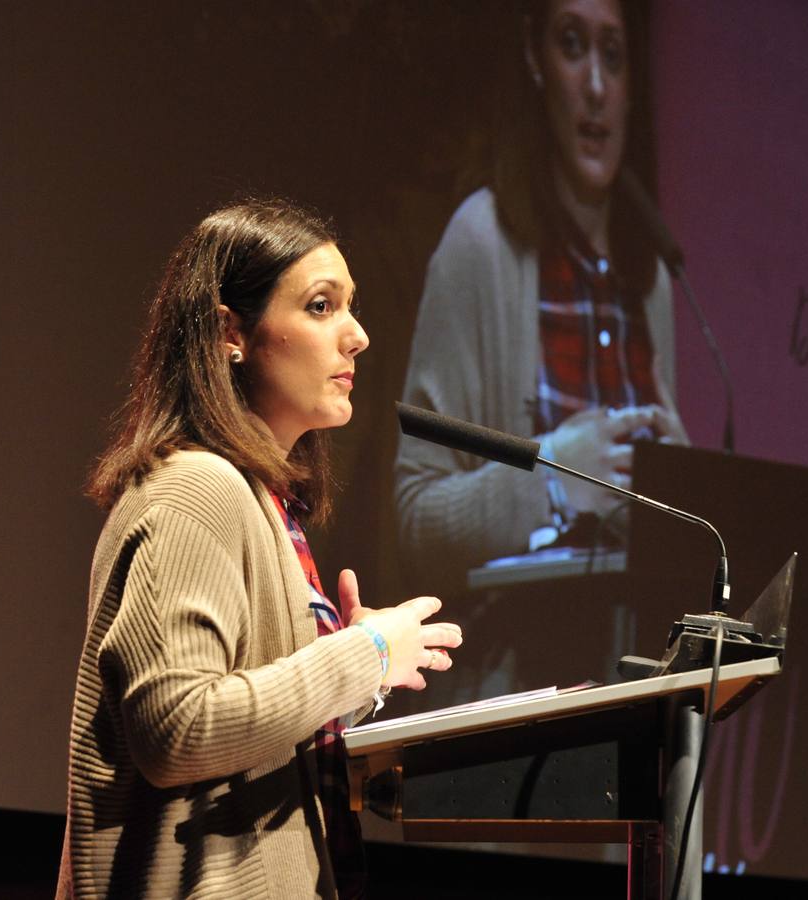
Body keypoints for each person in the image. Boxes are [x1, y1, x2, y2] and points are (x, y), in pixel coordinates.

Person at [57, 199, 461, 899]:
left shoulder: (261, 500)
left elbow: (247, 731)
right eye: (320, 306)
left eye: (351, 307)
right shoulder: (193, 488)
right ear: (229, 333)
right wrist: (361, 657)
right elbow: (178, 729)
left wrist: (360, 678)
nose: (357, 336)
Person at [395, 0, 687, 595]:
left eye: (613, 55)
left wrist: (683, 485)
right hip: (518, 667)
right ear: (535, 60)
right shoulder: (481, 243)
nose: (597, 86)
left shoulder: (649, 274)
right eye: (572, 46)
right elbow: (415, 518)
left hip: (634, 664)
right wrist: (551, 478)